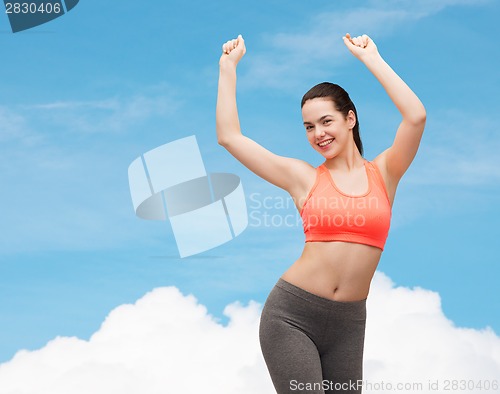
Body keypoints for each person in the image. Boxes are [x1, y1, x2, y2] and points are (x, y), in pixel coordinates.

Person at [216, 33, 426, 394]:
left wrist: (371, 59)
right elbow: (230, 137)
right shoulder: (303, 177)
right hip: (291, 316)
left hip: (349, 324)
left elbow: (416, 117)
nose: (318, 134)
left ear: (350, 119)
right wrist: (227, 69)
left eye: (326, 121)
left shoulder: (385, 173)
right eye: (309, 127)